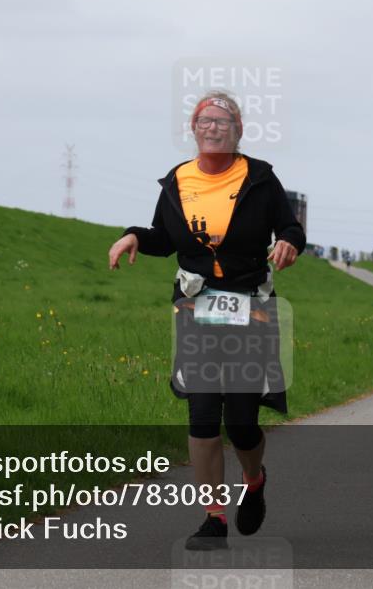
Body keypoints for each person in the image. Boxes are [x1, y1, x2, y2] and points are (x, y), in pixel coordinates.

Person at [108, 92, 305, 550]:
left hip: (250, 305)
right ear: (193, 129)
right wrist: (133, 236)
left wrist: (289, 243)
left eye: (223, 120)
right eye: (204, 120)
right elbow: (164, 238)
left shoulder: (259, 178)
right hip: (196, 307)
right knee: (201, 416)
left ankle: (254, 480)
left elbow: (290, 228)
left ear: (239, 130)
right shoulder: (178, 180)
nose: (213, 127)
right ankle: (213, 518)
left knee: (240, 423)